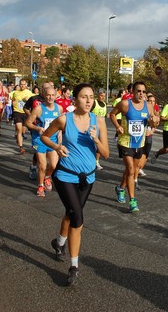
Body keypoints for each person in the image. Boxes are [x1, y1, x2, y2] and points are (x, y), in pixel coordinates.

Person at [42, 83, 109, 286]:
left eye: (91, 97)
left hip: (87, 178)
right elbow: (45, 136)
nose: (89, 101)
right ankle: (74, 266)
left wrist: (96, 140)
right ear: (75, 99)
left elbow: (106, 154)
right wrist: (57, 146)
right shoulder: (64, 119)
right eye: (84, 97)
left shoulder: (99, 121)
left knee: (71, 214)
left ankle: (59, 243)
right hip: (65, 175)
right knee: (77, 219)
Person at [110, 81, 158, 212]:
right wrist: (117, 126)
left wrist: (154, 123)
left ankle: (120, 188)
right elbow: (112, 114)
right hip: (125, 142)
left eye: (143, 91)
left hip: (139, 143)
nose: (141, 94)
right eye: (138, 91)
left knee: (131, 169)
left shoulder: (148, 106)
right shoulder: (125, 104)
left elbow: (154, 122)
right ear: (133, 92)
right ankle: (132, 201)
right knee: (131, 170)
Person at [26, 86, 62, 197]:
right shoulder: (39, 109)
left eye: (52, 95)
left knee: (54, 165)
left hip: (53, 140)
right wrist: (38, 128)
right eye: (48, 95)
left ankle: (47, 177)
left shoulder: (59, 108)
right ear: (44, 96)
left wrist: (60, 133)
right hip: (40, 139)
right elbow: (28, 123)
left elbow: (60, 123)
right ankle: (40, 186)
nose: (50, 97)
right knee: (42, 165)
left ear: (56, 96)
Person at [136, 93, 160, 183]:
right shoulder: (143, 109)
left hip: (149, 135)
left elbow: (156, 125)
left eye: (154, 101)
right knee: (139, 154)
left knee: (145, 154)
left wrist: (152, 130)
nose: (152, 102)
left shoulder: (155, 112)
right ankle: (135, 172)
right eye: (150, 101)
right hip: (140, 136)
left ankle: (139, 168)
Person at [11, 79, 33, 154]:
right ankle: (21, 147)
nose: (22, 86)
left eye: (24, 84)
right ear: (19, 84)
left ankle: (19, 137)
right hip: (17, 112)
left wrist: (28, 100)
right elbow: (13, 100)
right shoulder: (15, 93)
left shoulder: (29, 93)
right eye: (21, 84)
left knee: (23, 131)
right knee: (19, 129)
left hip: (25, 113)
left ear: (26, 85)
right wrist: (13, 103)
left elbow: (34, 101)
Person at [90, 89, 107, 170]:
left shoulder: (104, 104)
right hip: (92, 127)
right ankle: (90, 160)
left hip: (101, 128)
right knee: (91, 145)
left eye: (104, 96)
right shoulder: (94, 103)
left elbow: (104, 116)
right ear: (98, 95)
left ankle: (97, 162)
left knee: (99, 145)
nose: (103, 97)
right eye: (101, 96)